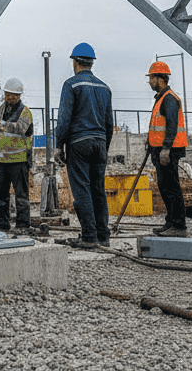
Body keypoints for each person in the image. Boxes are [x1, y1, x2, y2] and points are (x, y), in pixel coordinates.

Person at [52, 43, 113, 248]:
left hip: (79, 143)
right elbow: (109, 124)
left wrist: (58, 145)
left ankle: (89, 236)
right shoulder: (105, 88)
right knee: (98, 189)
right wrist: (104, 146)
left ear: (75, 62)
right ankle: (103, 236)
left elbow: (64, 119)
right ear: (91, 63)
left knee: (82, 191)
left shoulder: (71, 85)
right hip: (100, 143)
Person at [146, 60, 188, 237]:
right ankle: (171, 221)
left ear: (160, 79)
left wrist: (165, 149)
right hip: (160, 150)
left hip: (168, 151)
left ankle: (178, 225)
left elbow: (171, 126)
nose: (149, 82)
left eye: (151, 78)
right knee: (164, 186)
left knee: (171, 187)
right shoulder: (161, 98)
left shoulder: (169, 98)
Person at [0, 77, 33, 232]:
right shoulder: (2, 110)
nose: (8, 98)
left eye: (11, 95)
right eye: (6, 94)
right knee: (0, 193)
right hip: (2, 159)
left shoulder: (25, 112)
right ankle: (1, 224)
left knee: (21, 194)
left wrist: (1, 125)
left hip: (19, 159)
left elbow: (20, 128)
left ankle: (23, 225)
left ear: (18, 96)